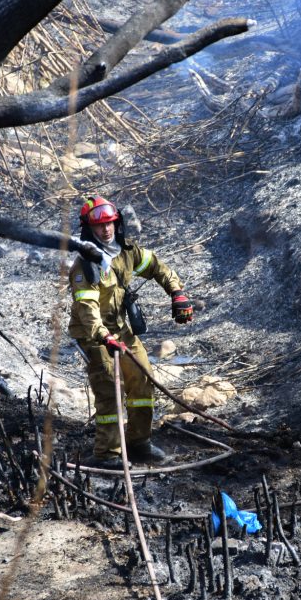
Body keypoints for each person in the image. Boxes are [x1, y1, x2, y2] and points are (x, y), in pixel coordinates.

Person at [67, 195, 193, 467]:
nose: (106, 230)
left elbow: (157, 266)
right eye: (100, 226)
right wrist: (104, 337)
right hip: (94, 334)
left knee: (143, 378)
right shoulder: (84, 266)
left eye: (110, 223)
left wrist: (177, 292)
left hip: (121, 329)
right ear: (89, 228)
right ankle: (108, 454)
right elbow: (87, 310)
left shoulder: (126, 252)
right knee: (111, 388)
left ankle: (139, 443)